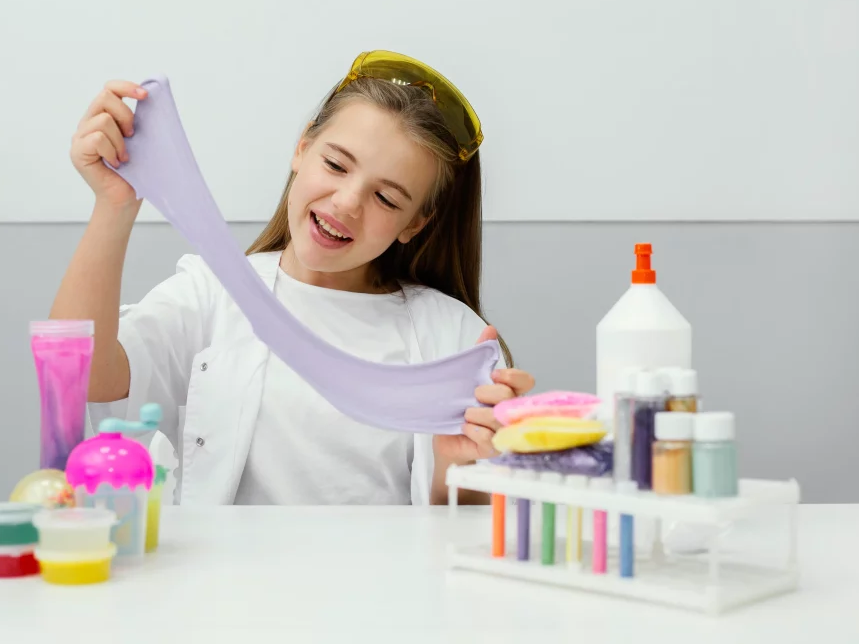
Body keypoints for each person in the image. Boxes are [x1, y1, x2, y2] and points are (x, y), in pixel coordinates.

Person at [51, 50, 535, 506]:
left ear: (415, 223)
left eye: (387, 199)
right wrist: (113, 208)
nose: (346, 202)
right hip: (223, 591)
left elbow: (462, 529)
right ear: (302, 148)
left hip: (384, 593)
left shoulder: (453, 338)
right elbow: (80, 376)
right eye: (335, 164)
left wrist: (463, 469)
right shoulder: (213, 293)